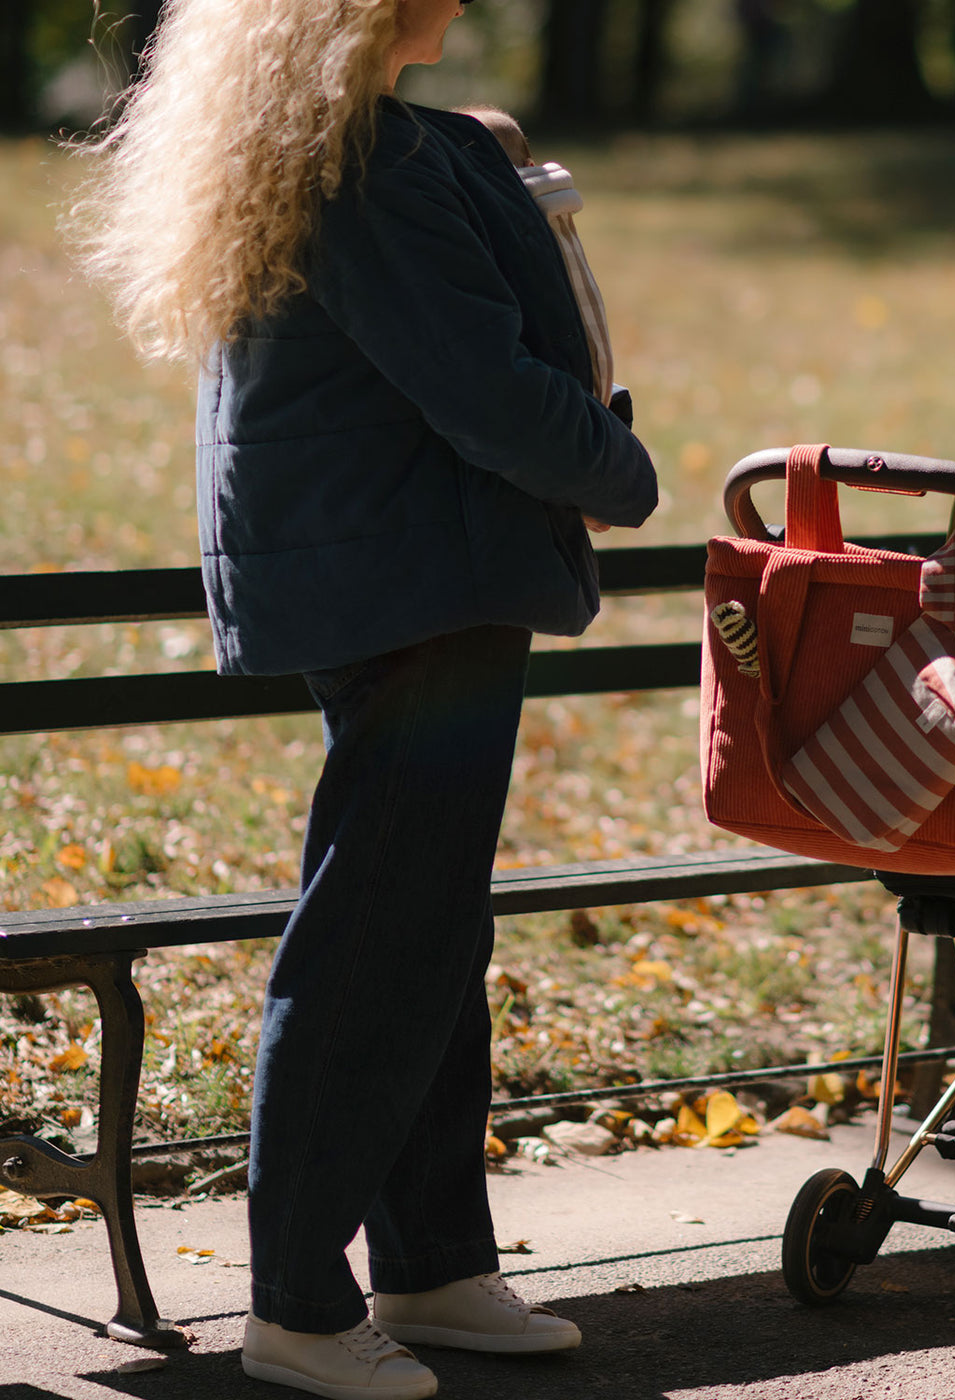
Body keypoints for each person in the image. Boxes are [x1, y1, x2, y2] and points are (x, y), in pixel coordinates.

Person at [70, 2, 658, 1397]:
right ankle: (298, 1305)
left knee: (425, 926)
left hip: (394, 571)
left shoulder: (319, 145)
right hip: (419, 579)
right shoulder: (372, 162)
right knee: (381, 932)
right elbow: (483, 387)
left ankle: (435, 1263)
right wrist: (620, 475)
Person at [458, 104, 615, 412]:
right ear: (530, 163)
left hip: (547, 389)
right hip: (596, 381)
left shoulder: (492, 215)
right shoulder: (556, 202)